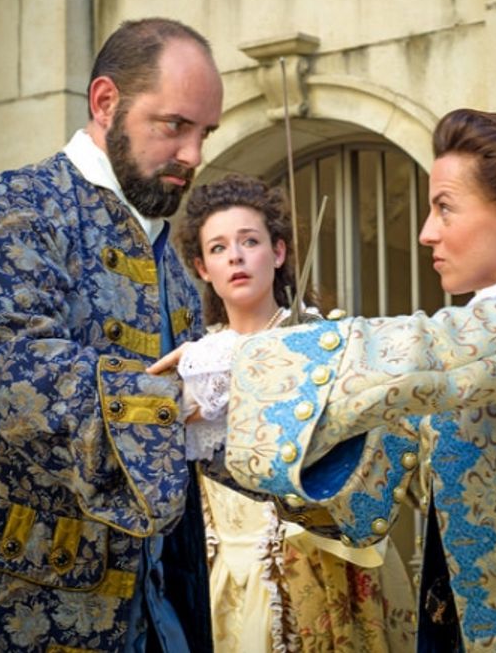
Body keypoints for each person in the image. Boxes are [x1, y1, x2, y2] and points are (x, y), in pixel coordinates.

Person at [223, 109, 496, 652]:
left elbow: (438, 352)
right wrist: (216, 429)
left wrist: (254, 363)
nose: (425, 233)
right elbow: (372, 497)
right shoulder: (478, 341)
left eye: (444, 208)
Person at [0, 17, 223, 652]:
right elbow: (17, 378)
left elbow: (202, 445)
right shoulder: (15, 208)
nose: (194, 155)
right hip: (33, 610)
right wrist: (189, 401)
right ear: (105, 102)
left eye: (205, 133)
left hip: (161, 612)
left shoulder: (169, 258)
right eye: (175, 125)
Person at [153, 174, 417, 652]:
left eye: (249, 241)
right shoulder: (194, 361)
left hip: (315, 565)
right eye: (218, 248)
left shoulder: (321, 341)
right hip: (218, 580)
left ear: (277, 253)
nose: (235, 256)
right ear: (202, 267)